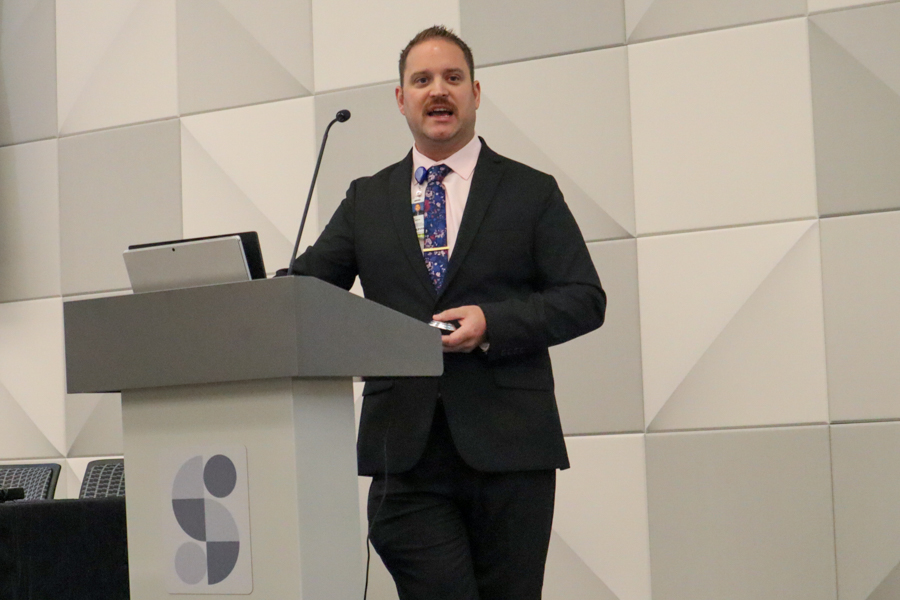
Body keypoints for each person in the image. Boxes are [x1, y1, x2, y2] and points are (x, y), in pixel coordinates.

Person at [290, 25, 605, 600]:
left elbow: (584, 298)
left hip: (510, 449)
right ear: (400, 98)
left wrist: (493, 324)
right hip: (403, 455)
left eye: (453, 78)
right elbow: (306, 292)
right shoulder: (368, 198)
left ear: (476, 93)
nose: (439, 90)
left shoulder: (530, 192)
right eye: (422, 79)